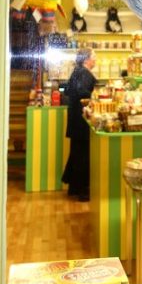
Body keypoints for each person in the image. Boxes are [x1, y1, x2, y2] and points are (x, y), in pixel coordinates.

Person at [62, 47, 97, 201]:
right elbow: (81, 91)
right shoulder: (85, 73)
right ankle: (83, 191)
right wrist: (94, 97)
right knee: (83, 155)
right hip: (82, 120)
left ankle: (74, 187)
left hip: (75, 119)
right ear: (86, 59)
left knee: (77, 153)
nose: (96, 59)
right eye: (94, 56)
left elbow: (68, 90)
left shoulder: (77, 71)